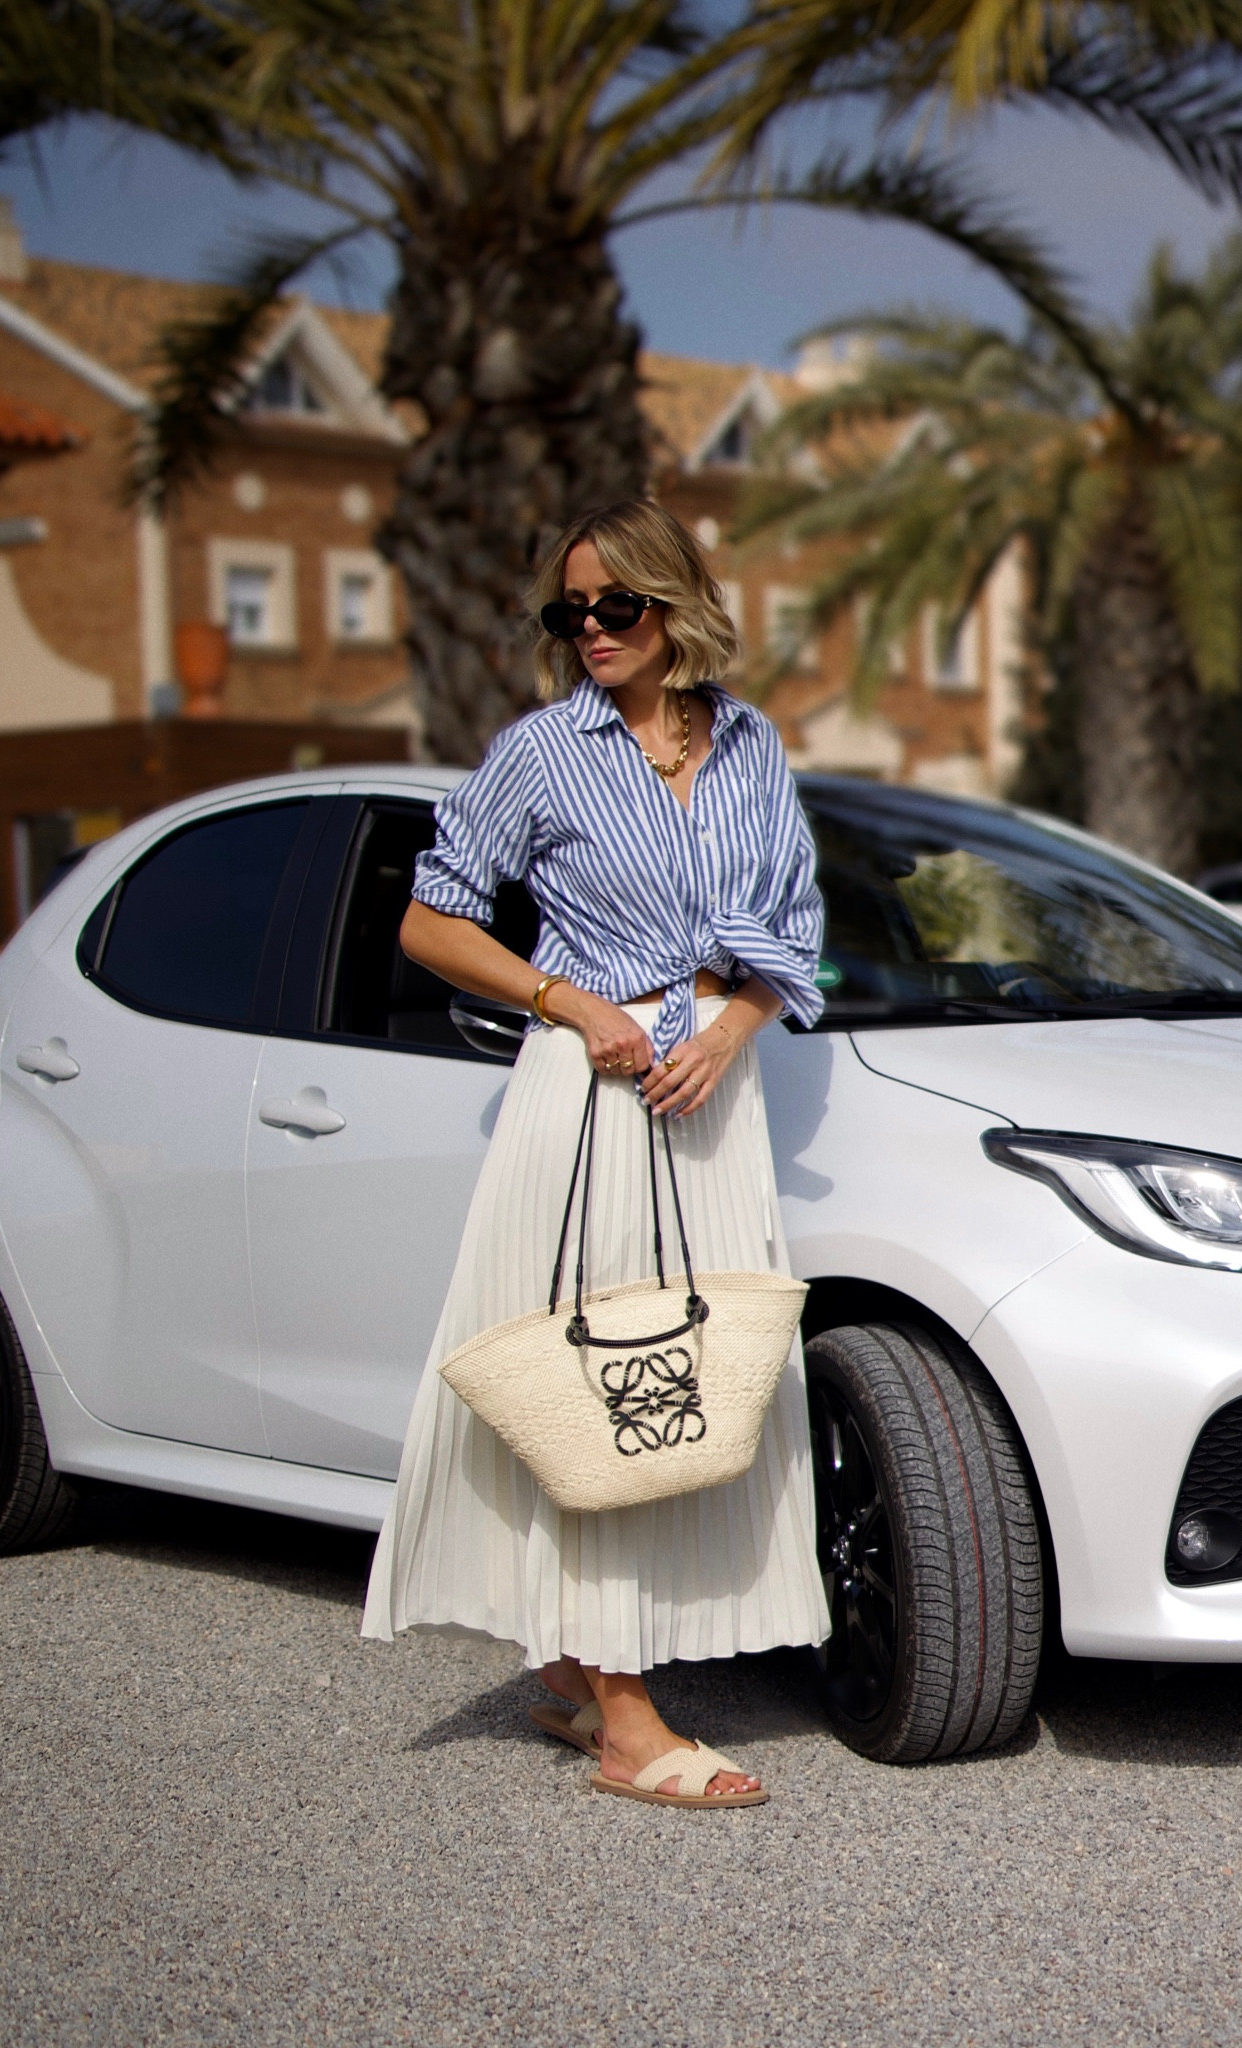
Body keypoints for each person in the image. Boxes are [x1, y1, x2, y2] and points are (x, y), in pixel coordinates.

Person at [360, 499, 829, 1808]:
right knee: (601, 1385)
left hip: (708, 1097)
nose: (590, 633)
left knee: (691, 1379)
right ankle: (624, 1719)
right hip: (587, 1098)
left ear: (675, 606)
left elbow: (789, 926)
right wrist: (571, 1003)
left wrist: (734, 1027)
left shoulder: (750, 747)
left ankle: (575, 1669)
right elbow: (432, 921)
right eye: (571, 613)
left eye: (614, 607)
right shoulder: (538, 753)